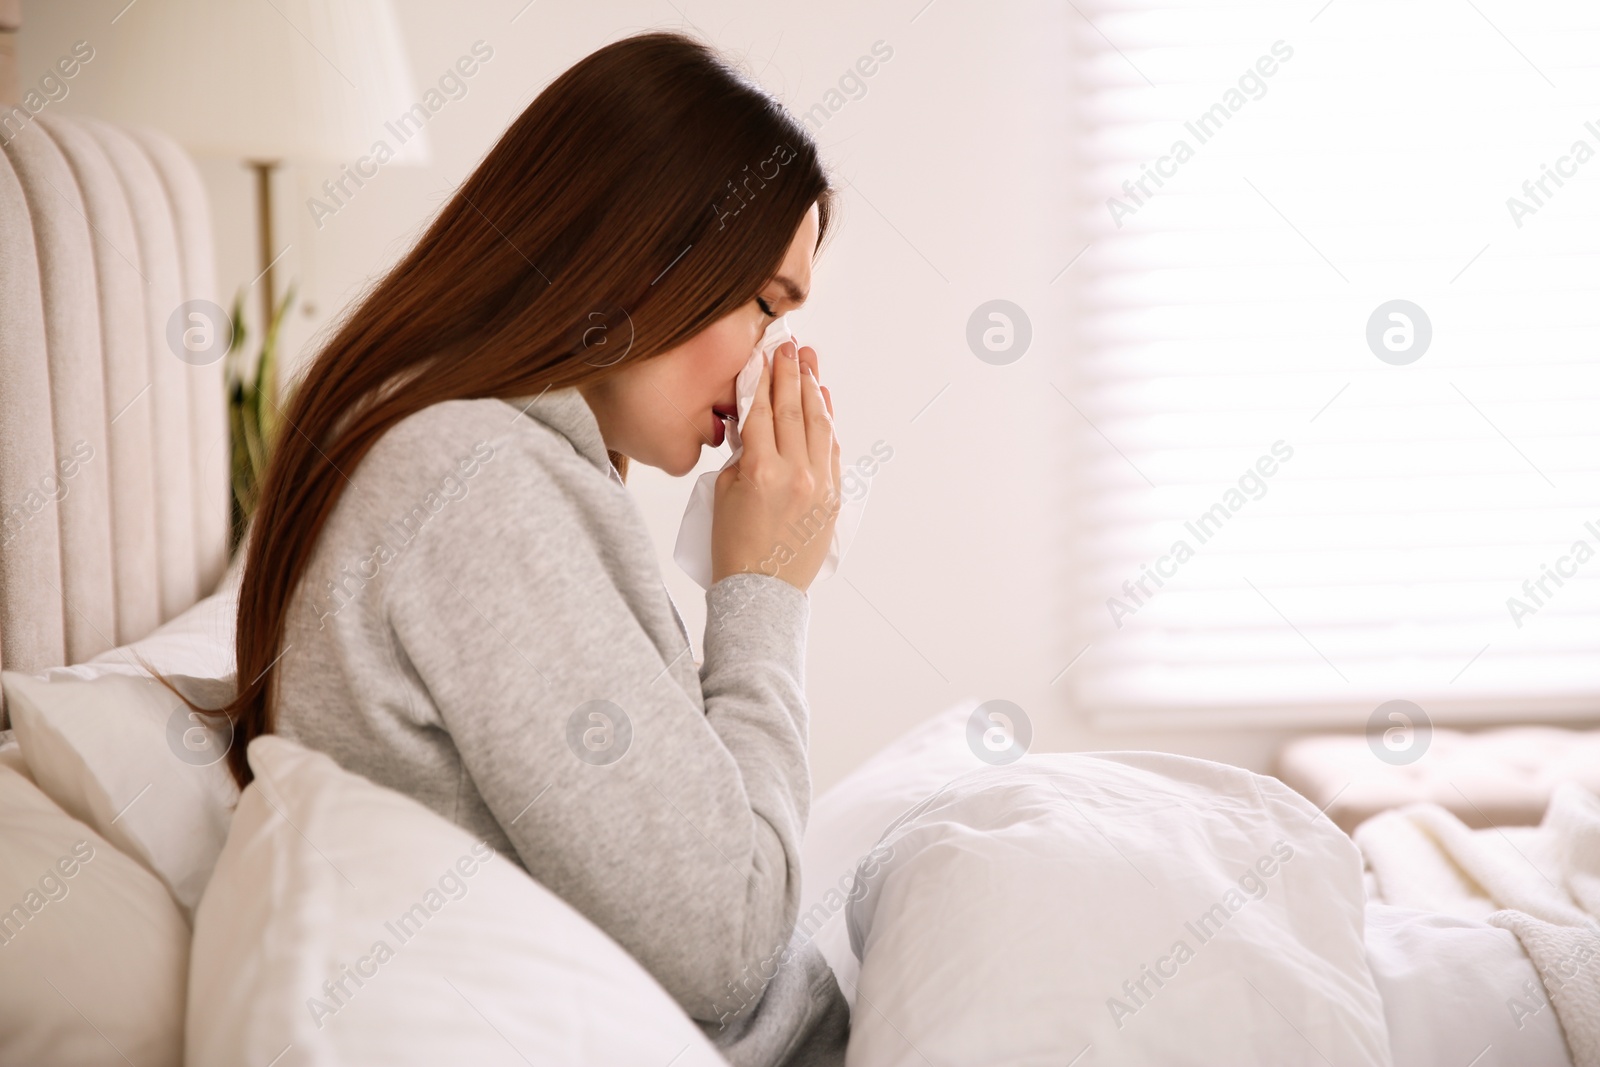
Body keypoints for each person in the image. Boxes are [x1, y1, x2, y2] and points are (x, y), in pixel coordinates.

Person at [184, 30, 850, 1067]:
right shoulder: (469, 482)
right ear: (641, 247)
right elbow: (728, 938)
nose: (766, 364)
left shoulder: (471, 458)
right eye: (762, 303)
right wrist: (763, 591)